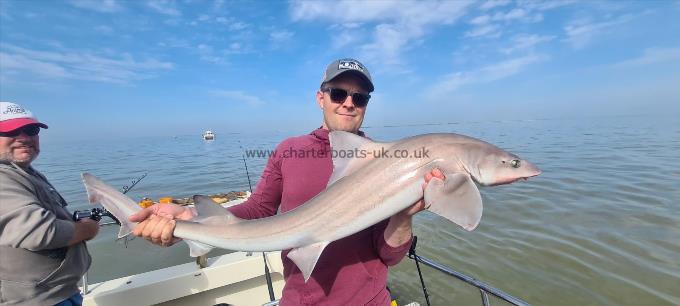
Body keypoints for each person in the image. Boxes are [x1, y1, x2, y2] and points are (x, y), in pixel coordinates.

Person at [130, 58, 444, 305]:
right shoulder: (288, 150)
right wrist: (190, 221)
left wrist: (404, 214)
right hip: (299, 300)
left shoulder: (389, 161)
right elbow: (259, 209)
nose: (349, 103)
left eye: (359, 97)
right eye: (338, 93)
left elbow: (389, 256)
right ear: (320, 98)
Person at [0, 102, 99, 306]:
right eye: (10, 131)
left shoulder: (26, 173)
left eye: (31, 130)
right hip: (35, 300)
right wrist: (88, 229)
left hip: (58, 292)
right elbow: (41, 231)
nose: (24, 137)